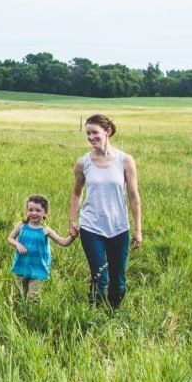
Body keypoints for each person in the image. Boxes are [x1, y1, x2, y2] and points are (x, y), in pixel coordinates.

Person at [68, 114, 142, 308]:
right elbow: (76, 193)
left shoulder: (125, 160)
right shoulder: (83, 162)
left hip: (119, 227)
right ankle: (94, 317)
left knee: (118, 281)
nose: (91, 137)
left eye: (95, 133)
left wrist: (138, 229)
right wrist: (72, 221)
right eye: (88, 133)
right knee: (99, 275)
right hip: (91, 227)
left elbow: (134, 195)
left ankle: (112, 314)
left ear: (107, 132)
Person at [7, 194, 74, 300]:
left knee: (32, 297)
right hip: (22, 265)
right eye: (30, 210)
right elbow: (10, 238)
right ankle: (16, 313)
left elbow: (63, 242)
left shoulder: (46, 230)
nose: (34, 213)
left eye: (38, 210)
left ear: (45, 213)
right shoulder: (21, 226)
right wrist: (17, 244)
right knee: (18, 294)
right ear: (27, 211)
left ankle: (31, 315)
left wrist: (72, 237)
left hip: (38, 268)